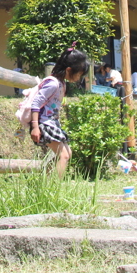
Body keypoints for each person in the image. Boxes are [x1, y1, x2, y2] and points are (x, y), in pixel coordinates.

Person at [29, 48, 89, 177]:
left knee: (66, 153)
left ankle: (44, 182)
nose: (79, 78)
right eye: (78, 74)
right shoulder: (53, 83)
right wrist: (35, 127)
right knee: (64, 155)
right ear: (68, 70)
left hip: (52, 122)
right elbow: (35, 103)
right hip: (44, 122)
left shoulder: (61, 84)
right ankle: (54, 187)